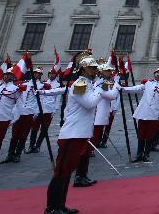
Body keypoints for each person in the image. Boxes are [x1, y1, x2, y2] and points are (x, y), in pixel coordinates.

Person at [44, 56, 115, 214]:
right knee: (61, 172)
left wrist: (98, 88)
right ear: (83, 69)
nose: (95, 70)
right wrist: (100, 89)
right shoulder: (80, 84)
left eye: (96, 68)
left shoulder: (89, 84)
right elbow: (89, 103)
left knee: (67, 171)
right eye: (92, 68)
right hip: (72, 134)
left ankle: (60, 205)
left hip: (80, 133)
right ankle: (52, 207)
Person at [118, 66, 159, 162]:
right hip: (143, 112)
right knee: (141, 134)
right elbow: (136, 88)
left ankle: (146, 154)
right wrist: (123, 89)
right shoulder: (148, 83)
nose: (158, 74)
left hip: (154, 113)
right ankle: (139, 154)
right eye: (157, 72)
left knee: (150, 135)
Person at [28, 68, 61, 153]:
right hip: (40, 109)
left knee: (44, 129)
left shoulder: (58, 85)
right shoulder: (44, 83)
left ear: (56, 75)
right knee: (34, 128)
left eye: (53, 74)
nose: (51, 75)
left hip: (49, 109)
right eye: (50, 73)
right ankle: (31, 145)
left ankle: (38, 145)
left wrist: (55, 109)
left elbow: (57, 98)